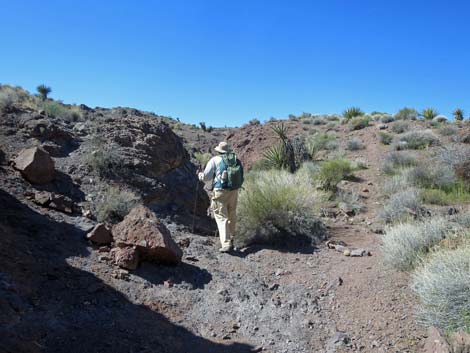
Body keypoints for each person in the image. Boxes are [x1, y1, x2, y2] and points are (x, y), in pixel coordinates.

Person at [198, 142, 244, 253]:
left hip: (220, 191)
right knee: (232, 215)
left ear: (218, 150)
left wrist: (200, 175)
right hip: (234, 191)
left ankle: (226, 244)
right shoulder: (235, 159)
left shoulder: (215, 160)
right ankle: (232, 240)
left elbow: (206, 177)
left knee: (221, 216)